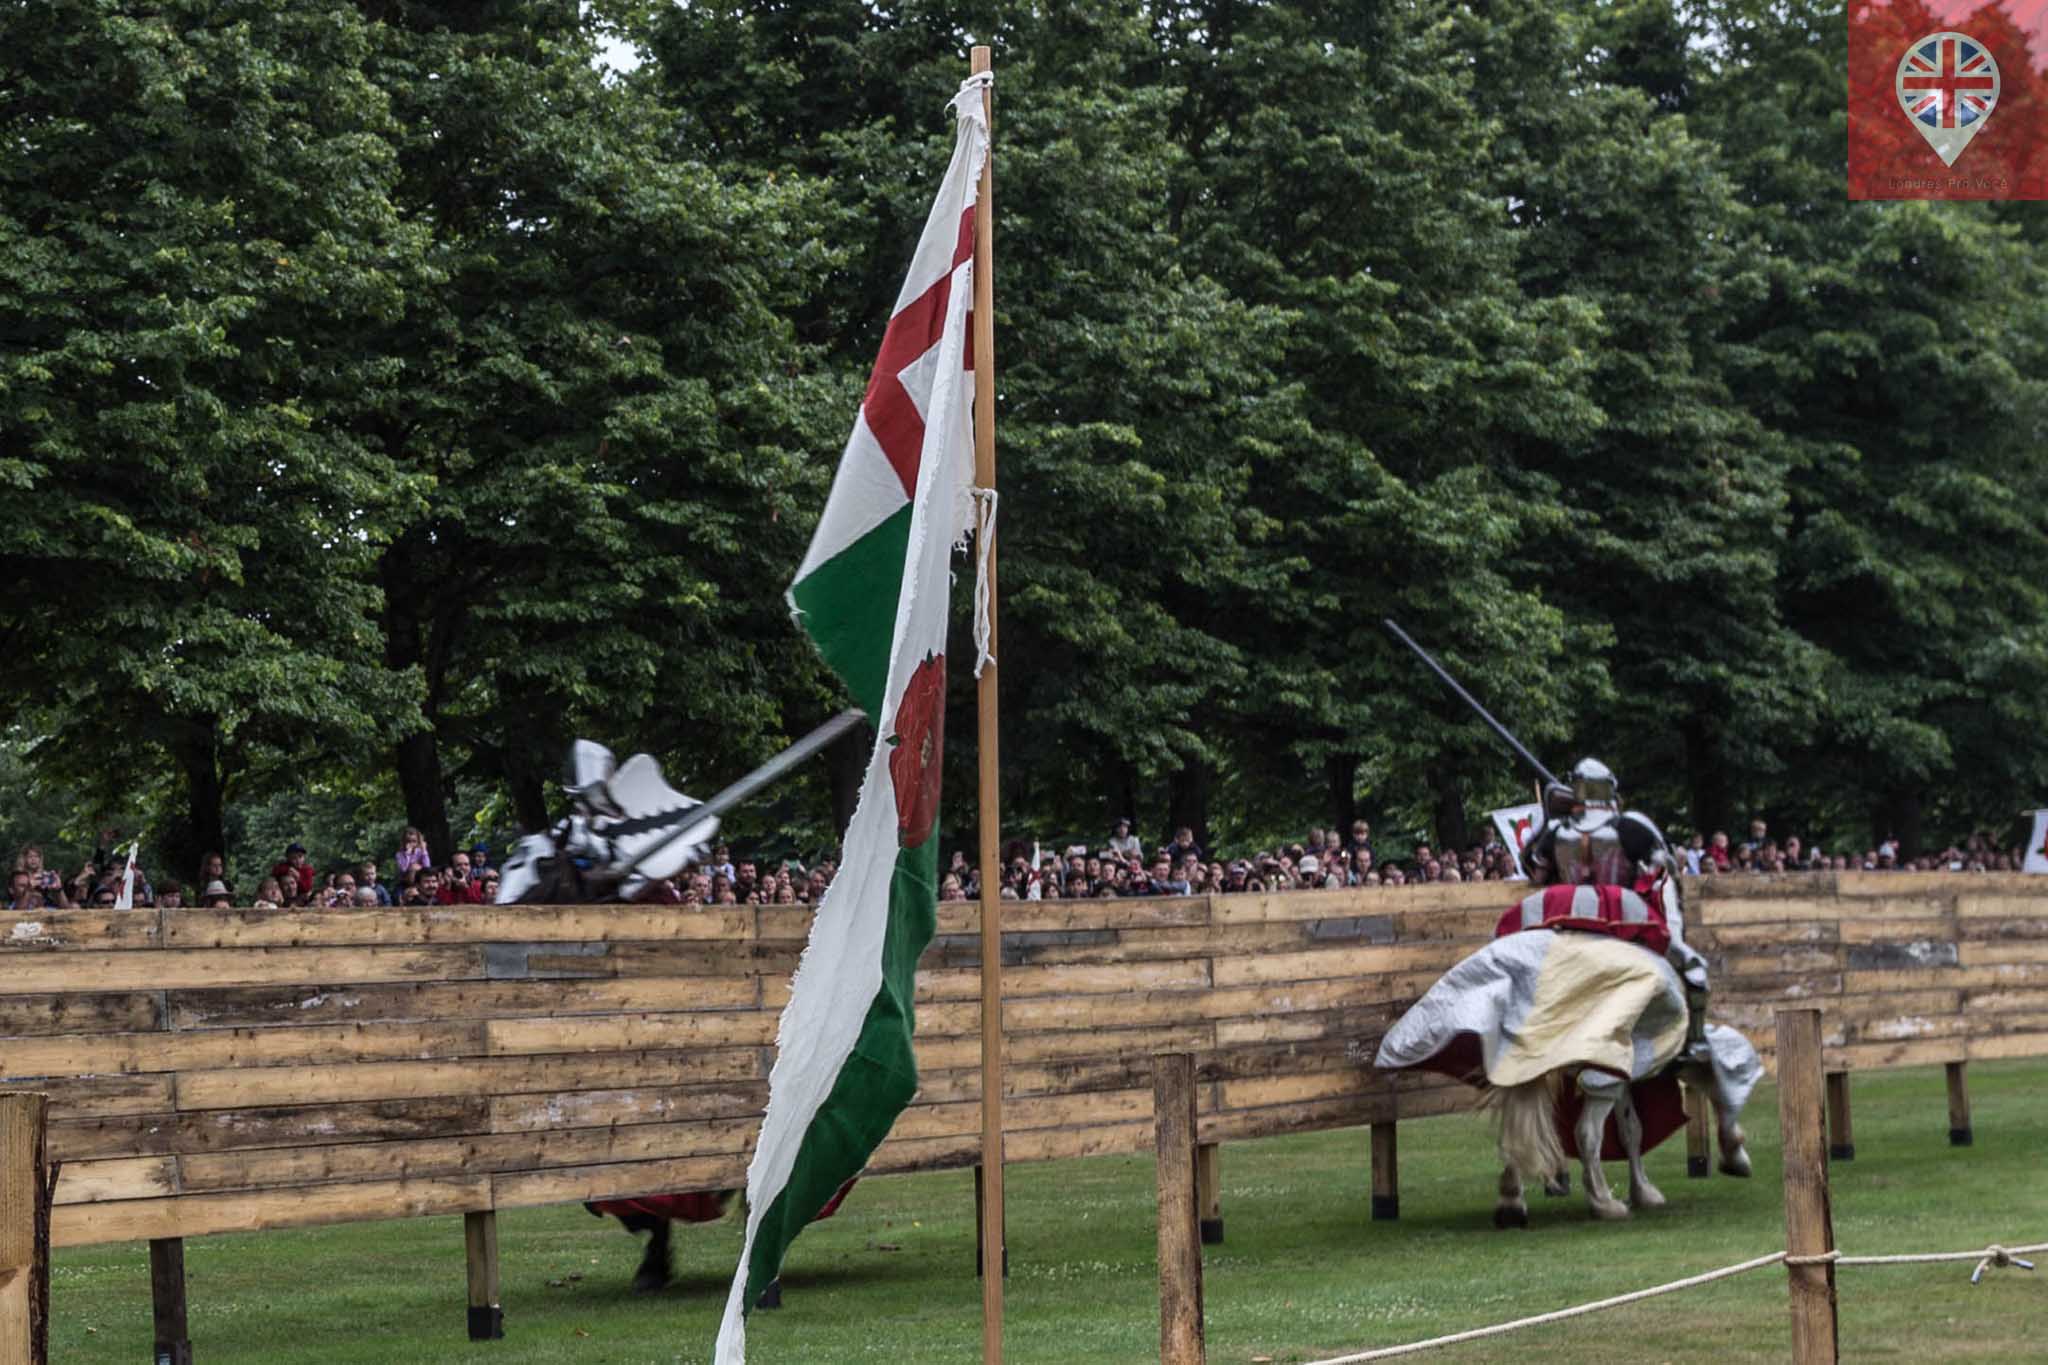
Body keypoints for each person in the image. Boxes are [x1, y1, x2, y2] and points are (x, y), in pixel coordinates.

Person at [1520, 758, 1712, 1061]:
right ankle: (1696, 1042)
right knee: (1694, 967)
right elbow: (1665, 869)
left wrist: (1548, 815)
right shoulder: (1629, 825)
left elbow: (1534, 871)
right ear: (1610, 788)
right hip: (1621, 920)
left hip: (1569, 922)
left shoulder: (1557, 831)